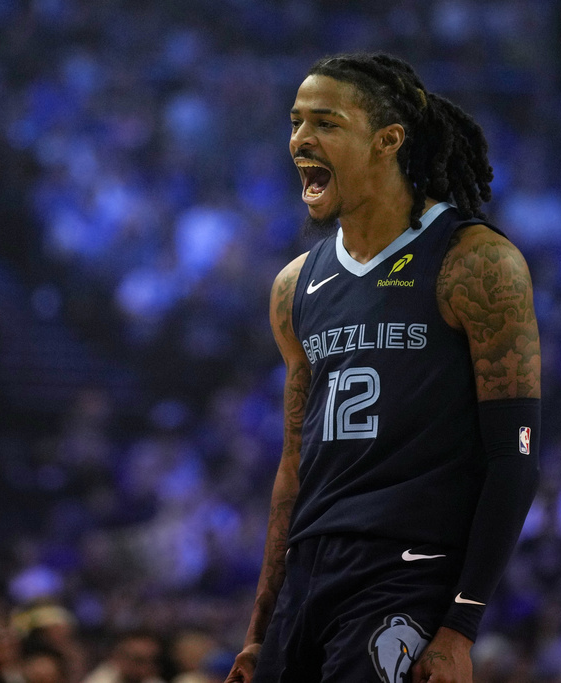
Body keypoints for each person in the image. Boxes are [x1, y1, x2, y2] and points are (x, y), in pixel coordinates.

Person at [225, 53, 541, 683]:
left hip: (408, 570)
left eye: (325, 123)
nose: (300, 139)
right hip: (308, 577)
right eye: (295, 122)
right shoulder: (294, 286)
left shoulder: (475, 262)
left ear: (388, 140)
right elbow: (294, 468)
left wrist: (460, 628)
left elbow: (514, 458)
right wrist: (260, 629)